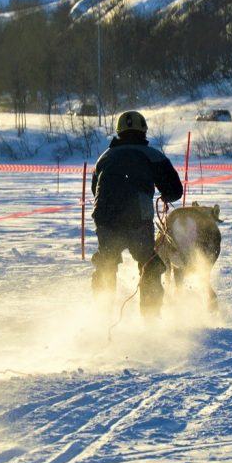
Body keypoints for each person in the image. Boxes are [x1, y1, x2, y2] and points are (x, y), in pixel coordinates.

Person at [91, 110, 184, 316]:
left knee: (106, 264)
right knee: (149, 264)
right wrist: (166, 195)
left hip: (105, 218)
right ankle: (150, 319)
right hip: (137, 219)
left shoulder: (104, 157)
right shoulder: (153, 155)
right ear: (144, 131)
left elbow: (94, 189)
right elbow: (175, 190)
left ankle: (101, 316)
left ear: (118, 131)